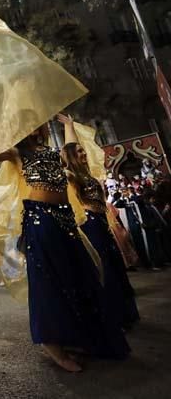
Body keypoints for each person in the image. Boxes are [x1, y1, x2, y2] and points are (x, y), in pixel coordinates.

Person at [0, 115, 130, 372]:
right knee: (48, 280)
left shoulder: (54, 153)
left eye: (39, 121)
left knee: (76, 276)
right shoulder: (18, 152)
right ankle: (51, 343)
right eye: (30, 121)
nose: (37, 125)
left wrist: (68, 126)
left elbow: (70, 149)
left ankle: (75, 335)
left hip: (64, 218)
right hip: (40, 218)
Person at [60, 136, 139, 329]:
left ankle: (126, 313)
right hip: (90, 224)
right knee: (105, 267)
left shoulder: (88, 175)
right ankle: (114, 317)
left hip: (103, 222)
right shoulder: (70, 175)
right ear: (71, 156)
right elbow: (73, 201)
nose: (84, 153)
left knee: (115, 262)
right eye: (79, 152)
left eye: (83, 150)